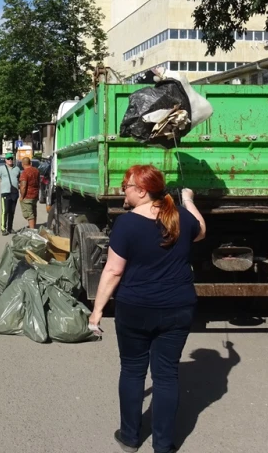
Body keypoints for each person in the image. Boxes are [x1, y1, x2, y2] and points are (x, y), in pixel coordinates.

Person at [88, 164, 206, 453]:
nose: (122, 191)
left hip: (135, 308)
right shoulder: (180, 218)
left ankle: (130, 437)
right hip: (178, 307)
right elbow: (201, 231)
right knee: (166, 375)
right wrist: (188, 198)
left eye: (125, 186)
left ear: (141, 191)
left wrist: (97, 311)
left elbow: (113, 271)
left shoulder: (127, 224)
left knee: (132, 371)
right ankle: (163, 445)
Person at [0, 153, 21, 236]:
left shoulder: (17, 169)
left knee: (12, 211)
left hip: (14, 192)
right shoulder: (1, 169)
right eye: (8, 159)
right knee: (5, 211)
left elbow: (19, 180)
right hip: (5, 192)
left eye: (11, 158)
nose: (10, 160)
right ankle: (3, 228)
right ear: (5, 160)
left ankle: (10, 228)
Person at [18, 157, 40, 229]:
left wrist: (22, 196)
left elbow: (23, 186)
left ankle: (32, 230)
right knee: (34, 212)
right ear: (30, 163)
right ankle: (34, 227)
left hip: (27, 196)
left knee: (29, 214)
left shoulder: (25, 173)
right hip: (35, 195)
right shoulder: (36, 171)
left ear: (22, 164)